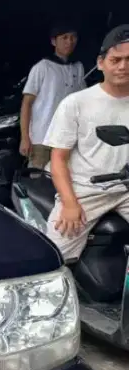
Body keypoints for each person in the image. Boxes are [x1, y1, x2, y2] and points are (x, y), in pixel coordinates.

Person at [44, 24, 129, 263]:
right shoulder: (77, 103)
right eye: (116, 60)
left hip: (126, 189)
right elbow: (58, 157)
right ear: (101, 63)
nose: (123, 66)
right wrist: (70, 204)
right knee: (53, 257)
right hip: (86, 189)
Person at [20, 25, 85, 170]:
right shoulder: (42, 67)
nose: (70, 41)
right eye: (64, 38)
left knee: (65, 180)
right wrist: (25, 138)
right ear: (54, 41)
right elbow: (27, 104)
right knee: (38, 183)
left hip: (68, 139)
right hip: (42, 138)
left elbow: (83, 101)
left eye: (73, 37)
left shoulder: (77, 67)